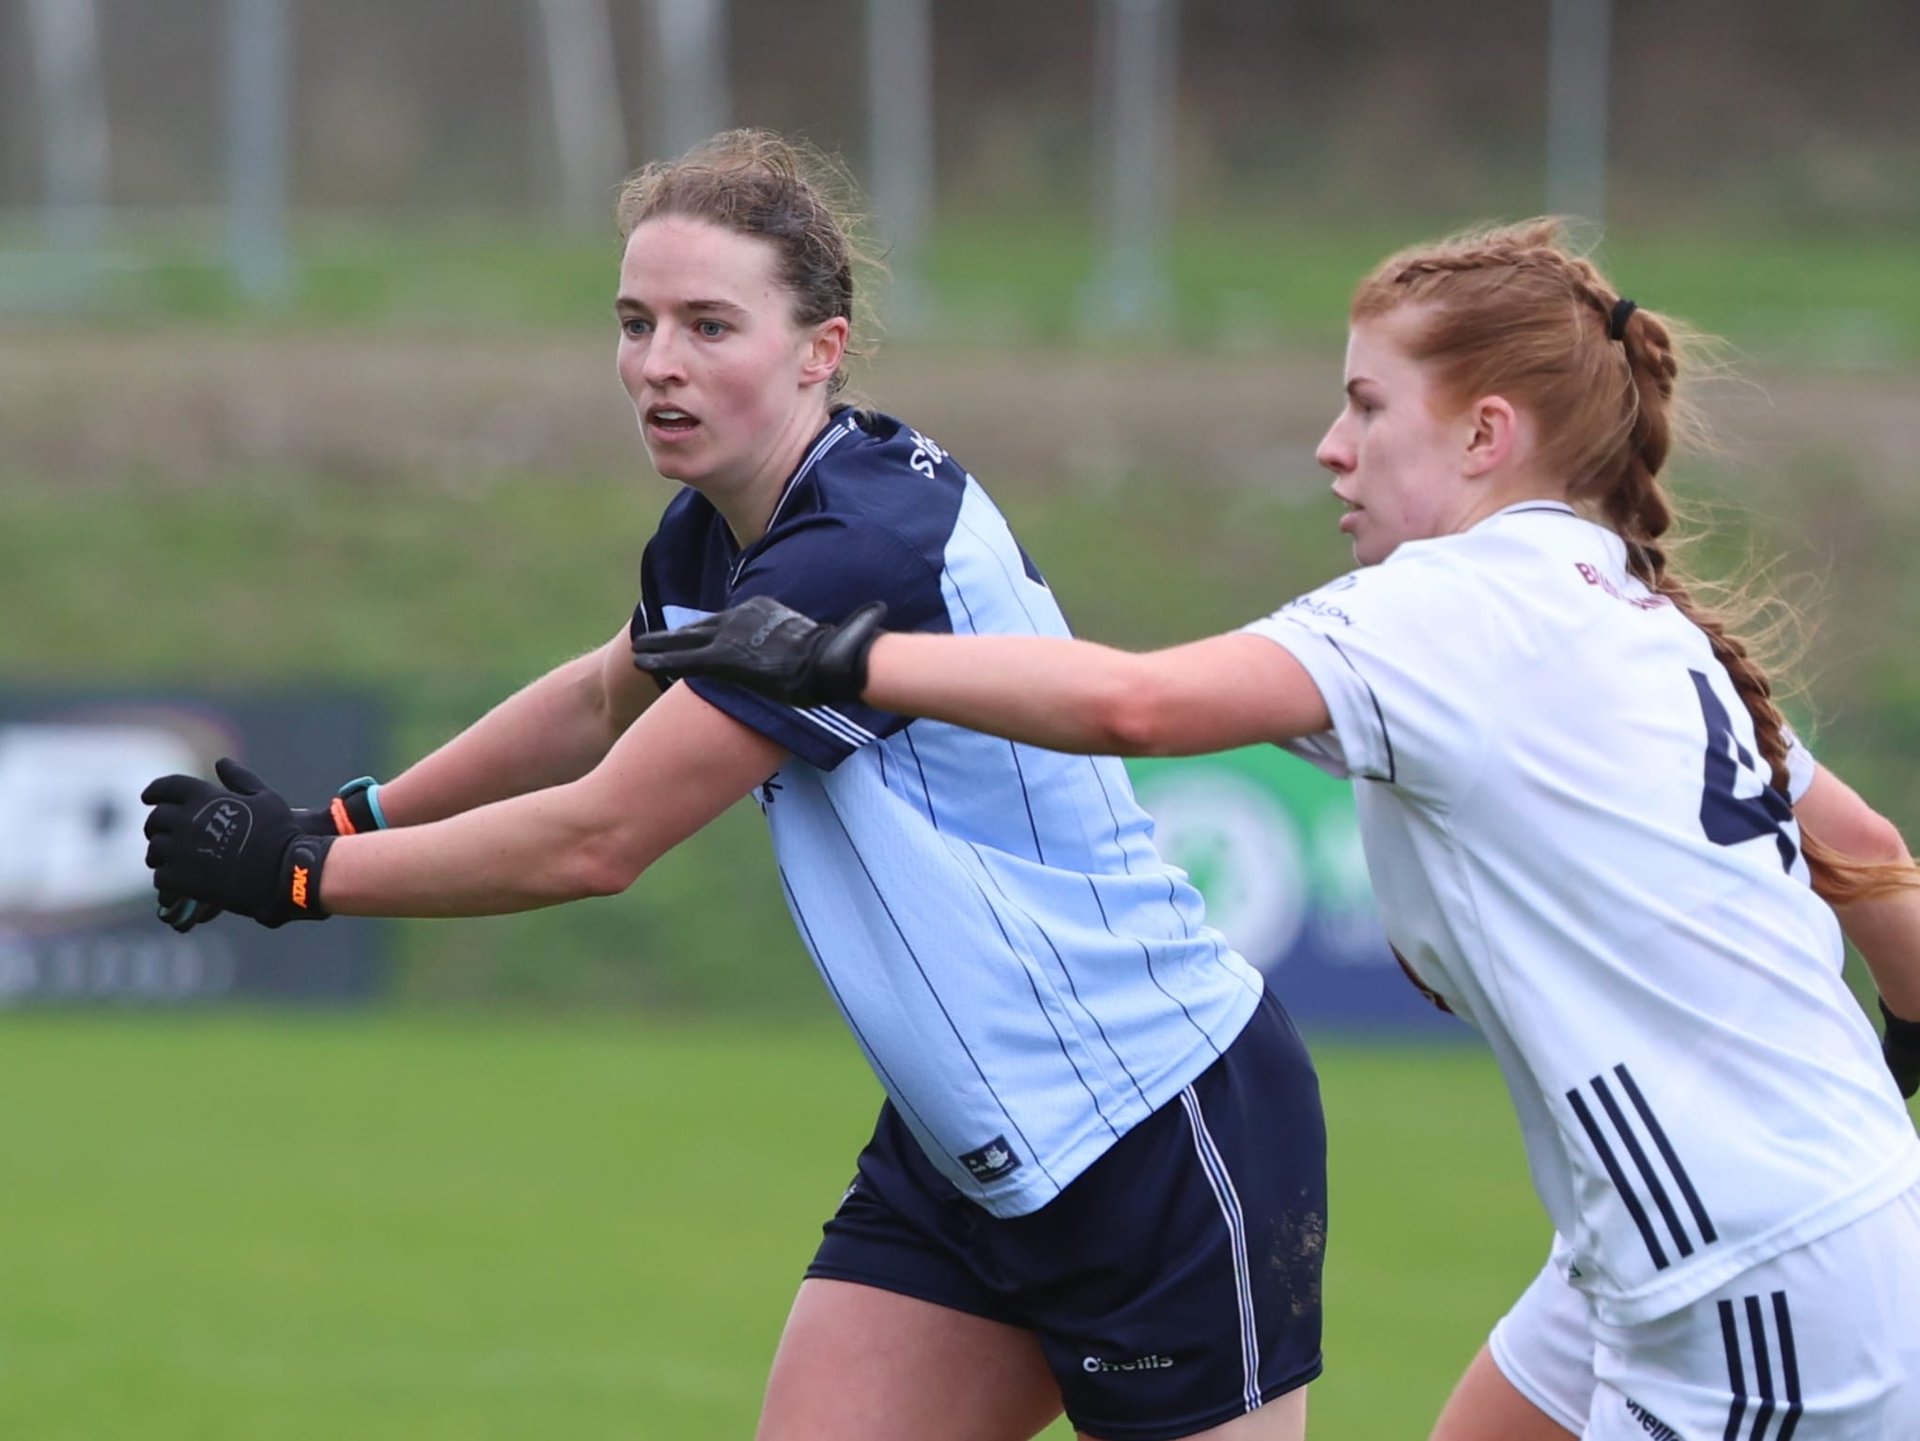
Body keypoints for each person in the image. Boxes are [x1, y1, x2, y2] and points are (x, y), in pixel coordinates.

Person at [631, 218, 1920, 1440]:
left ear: (1484, 434)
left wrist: (845, 660)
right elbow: (1871, 855)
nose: (1330, 446)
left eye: (1366, 406)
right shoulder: (1615, 608)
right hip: (1676, 1249)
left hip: (1751, 1282)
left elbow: (1136, 704)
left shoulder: (1457, 609)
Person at [139, 129, 1328, 1441]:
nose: (658, 364)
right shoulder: (724, 524)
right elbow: (601, 698)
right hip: (964, 1143)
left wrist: (302, 875)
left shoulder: (854, 545)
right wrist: (352, 817)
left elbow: (600, 838)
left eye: (710, 325)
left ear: (822, 346)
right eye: (636, 323)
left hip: (1149, 1125)